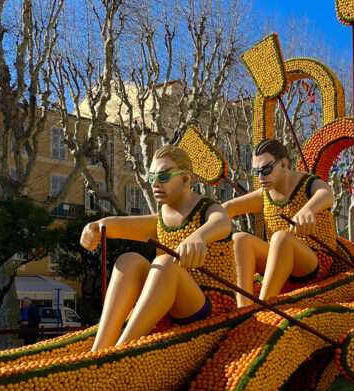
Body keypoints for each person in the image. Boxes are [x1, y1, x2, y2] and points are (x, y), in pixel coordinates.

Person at [80, 145, 235, 352]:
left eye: (163, 177)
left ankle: (122, 349)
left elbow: (222, 221)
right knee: (129, 261)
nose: (154, 184)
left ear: (186, 179)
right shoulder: (162, 218)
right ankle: (99, 349)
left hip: (209, 305)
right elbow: (125, 225)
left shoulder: (207, 207)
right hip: (167, 303)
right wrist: (95, 227)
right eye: (151, 177)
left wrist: (199, 237)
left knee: (164, 262)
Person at [222, 138, 339, 306]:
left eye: (266, 169)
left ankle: (263, 304)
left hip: (312, 262)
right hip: (277, 262)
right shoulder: (265, 194)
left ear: (284, 164)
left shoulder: (308, 183)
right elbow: (228, 208)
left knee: (281, 238)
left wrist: (308, 210)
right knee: (240, 239)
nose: (261, 177)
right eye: (256, 172)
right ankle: (244, 307)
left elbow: (326, 194)